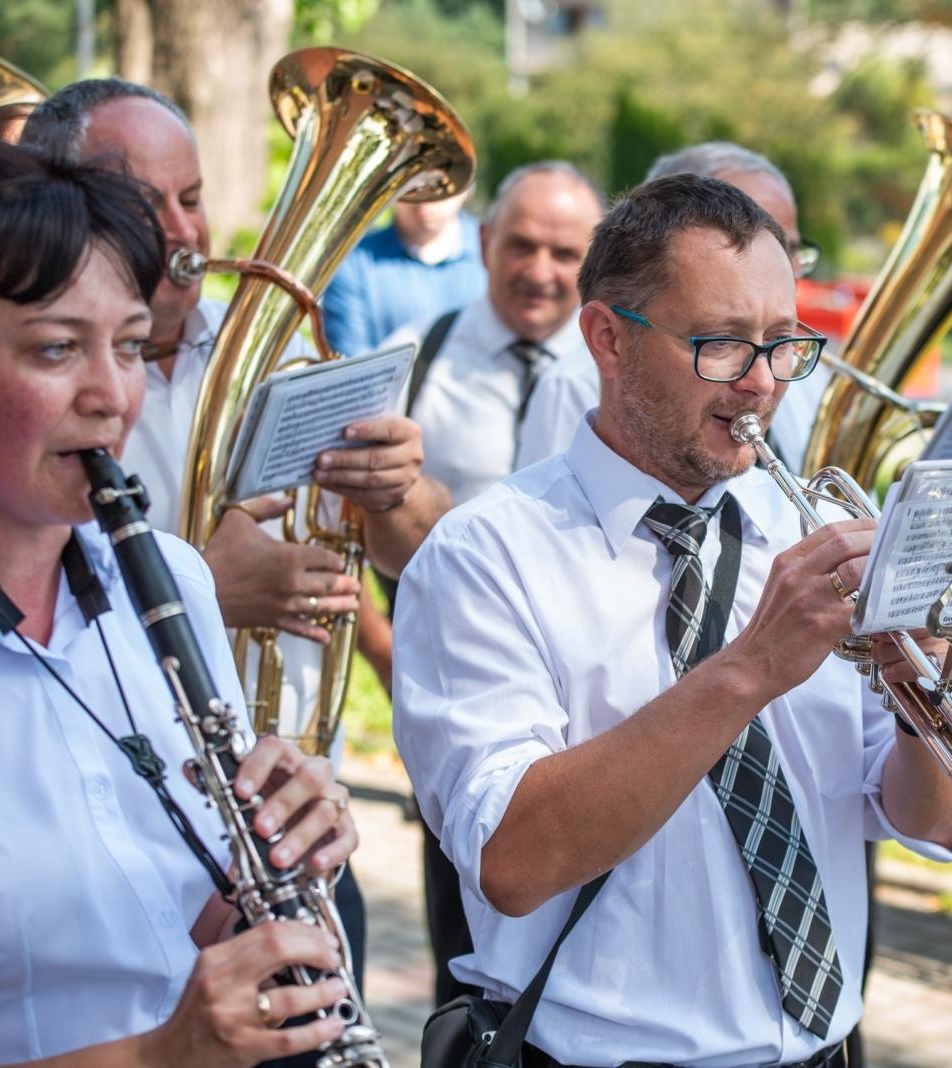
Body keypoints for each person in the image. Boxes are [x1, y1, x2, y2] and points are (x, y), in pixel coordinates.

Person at [394, 173, 952, 1064]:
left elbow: (927, 821)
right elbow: (511, 861)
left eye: (783, 346)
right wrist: (748, 669)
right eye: (721, 345)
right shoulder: (485, 555)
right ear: (607, 338)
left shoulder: (806, 531)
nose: (759, 386)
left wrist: (925, 701)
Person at [19, 77, 447, 998]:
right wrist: (214, 587)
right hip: (97, 856)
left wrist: (395, 490)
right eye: (142, 202)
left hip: (283, 843)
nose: (182, 235)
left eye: (194, 198)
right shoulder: (38, 393)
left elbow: (424, 556)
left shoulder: (287, 352)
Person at [0, 137, 359, 1067]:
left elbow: (171, 919)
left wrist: (279, 863)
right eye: (58, 348)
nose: (112, 397)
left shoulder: (169, 580)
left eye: (134, 348)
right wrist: (159, 1057)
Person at [349, 160, 602, 1006]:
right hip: (463, 707)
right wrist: (390, 663)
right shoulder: (410, 360)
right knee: (466, 975)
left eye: (566, 253)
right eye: (521, 245)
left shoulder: (626, 377)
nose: (540, 270)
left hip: (599, 709)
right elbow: (359, 536)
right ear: (484, 242)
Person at [515, 141, 828, 473]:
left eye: (782, 246)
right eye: (720, 340)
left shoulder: (792, 365)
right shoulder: (574, 383)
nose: (763, 383)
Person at [319, 187, 487, 361]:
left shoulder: (495, 249)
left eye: (439, 185)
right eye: (413, 186)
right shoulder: (353, 261)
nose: (426, 198)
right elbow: (352, 363)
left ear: (465, 187)